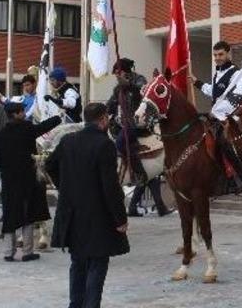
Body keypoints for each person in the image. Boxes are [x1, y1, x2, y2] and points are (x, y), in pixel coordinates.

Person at [45, 103, 129, 308]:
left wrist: (65, 186)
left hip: (73, 213)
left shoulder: (68, 140)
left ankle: (75, 304)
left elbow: (49, 165)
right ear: (103, 119)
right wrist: (120, 219)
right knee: (97, 265)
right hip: (98, 215)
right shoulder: (104, 144)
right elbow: (110, 186)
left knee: (78, 263)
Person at [0, 100, 62, 262]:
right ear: (15, 114)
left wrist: (7, 170)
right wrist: (58, 118)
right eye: (22, 111)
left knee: (9, 213)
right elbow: (42, 127)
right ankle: (27, 252)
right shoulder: (27, 129)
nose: (24, 113)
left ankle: (8, 252)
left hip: (9, 180)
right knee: (28, 213)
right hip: (28, 179)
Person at [106, 58, 171, 217]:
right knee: (152, 175)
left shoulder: (140, 81)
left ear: (125, 72)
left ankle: (138, 173)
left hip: (139, 123)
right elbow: (111, 104)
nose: (116, 77)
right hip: (123, 125)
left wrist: (128, 85)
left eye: (118, 73)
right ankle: (157, 206)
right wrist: (105, 114)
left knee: (121, 142)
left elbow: (142, 94)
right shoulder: (118, 88)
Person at [191, 41, 242, 193]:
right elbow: (214, 92)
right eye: (215, 55)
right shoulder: (218, 73)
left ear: (228, 54)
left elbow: (232, 98)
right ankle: (224, 180)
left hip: (230, 119)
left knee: (223, 143)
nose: (217, 58)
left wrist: (217, 113)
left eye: (220, 54)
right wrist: (197, 83)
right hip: (216, 118)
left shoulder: (235, 73)